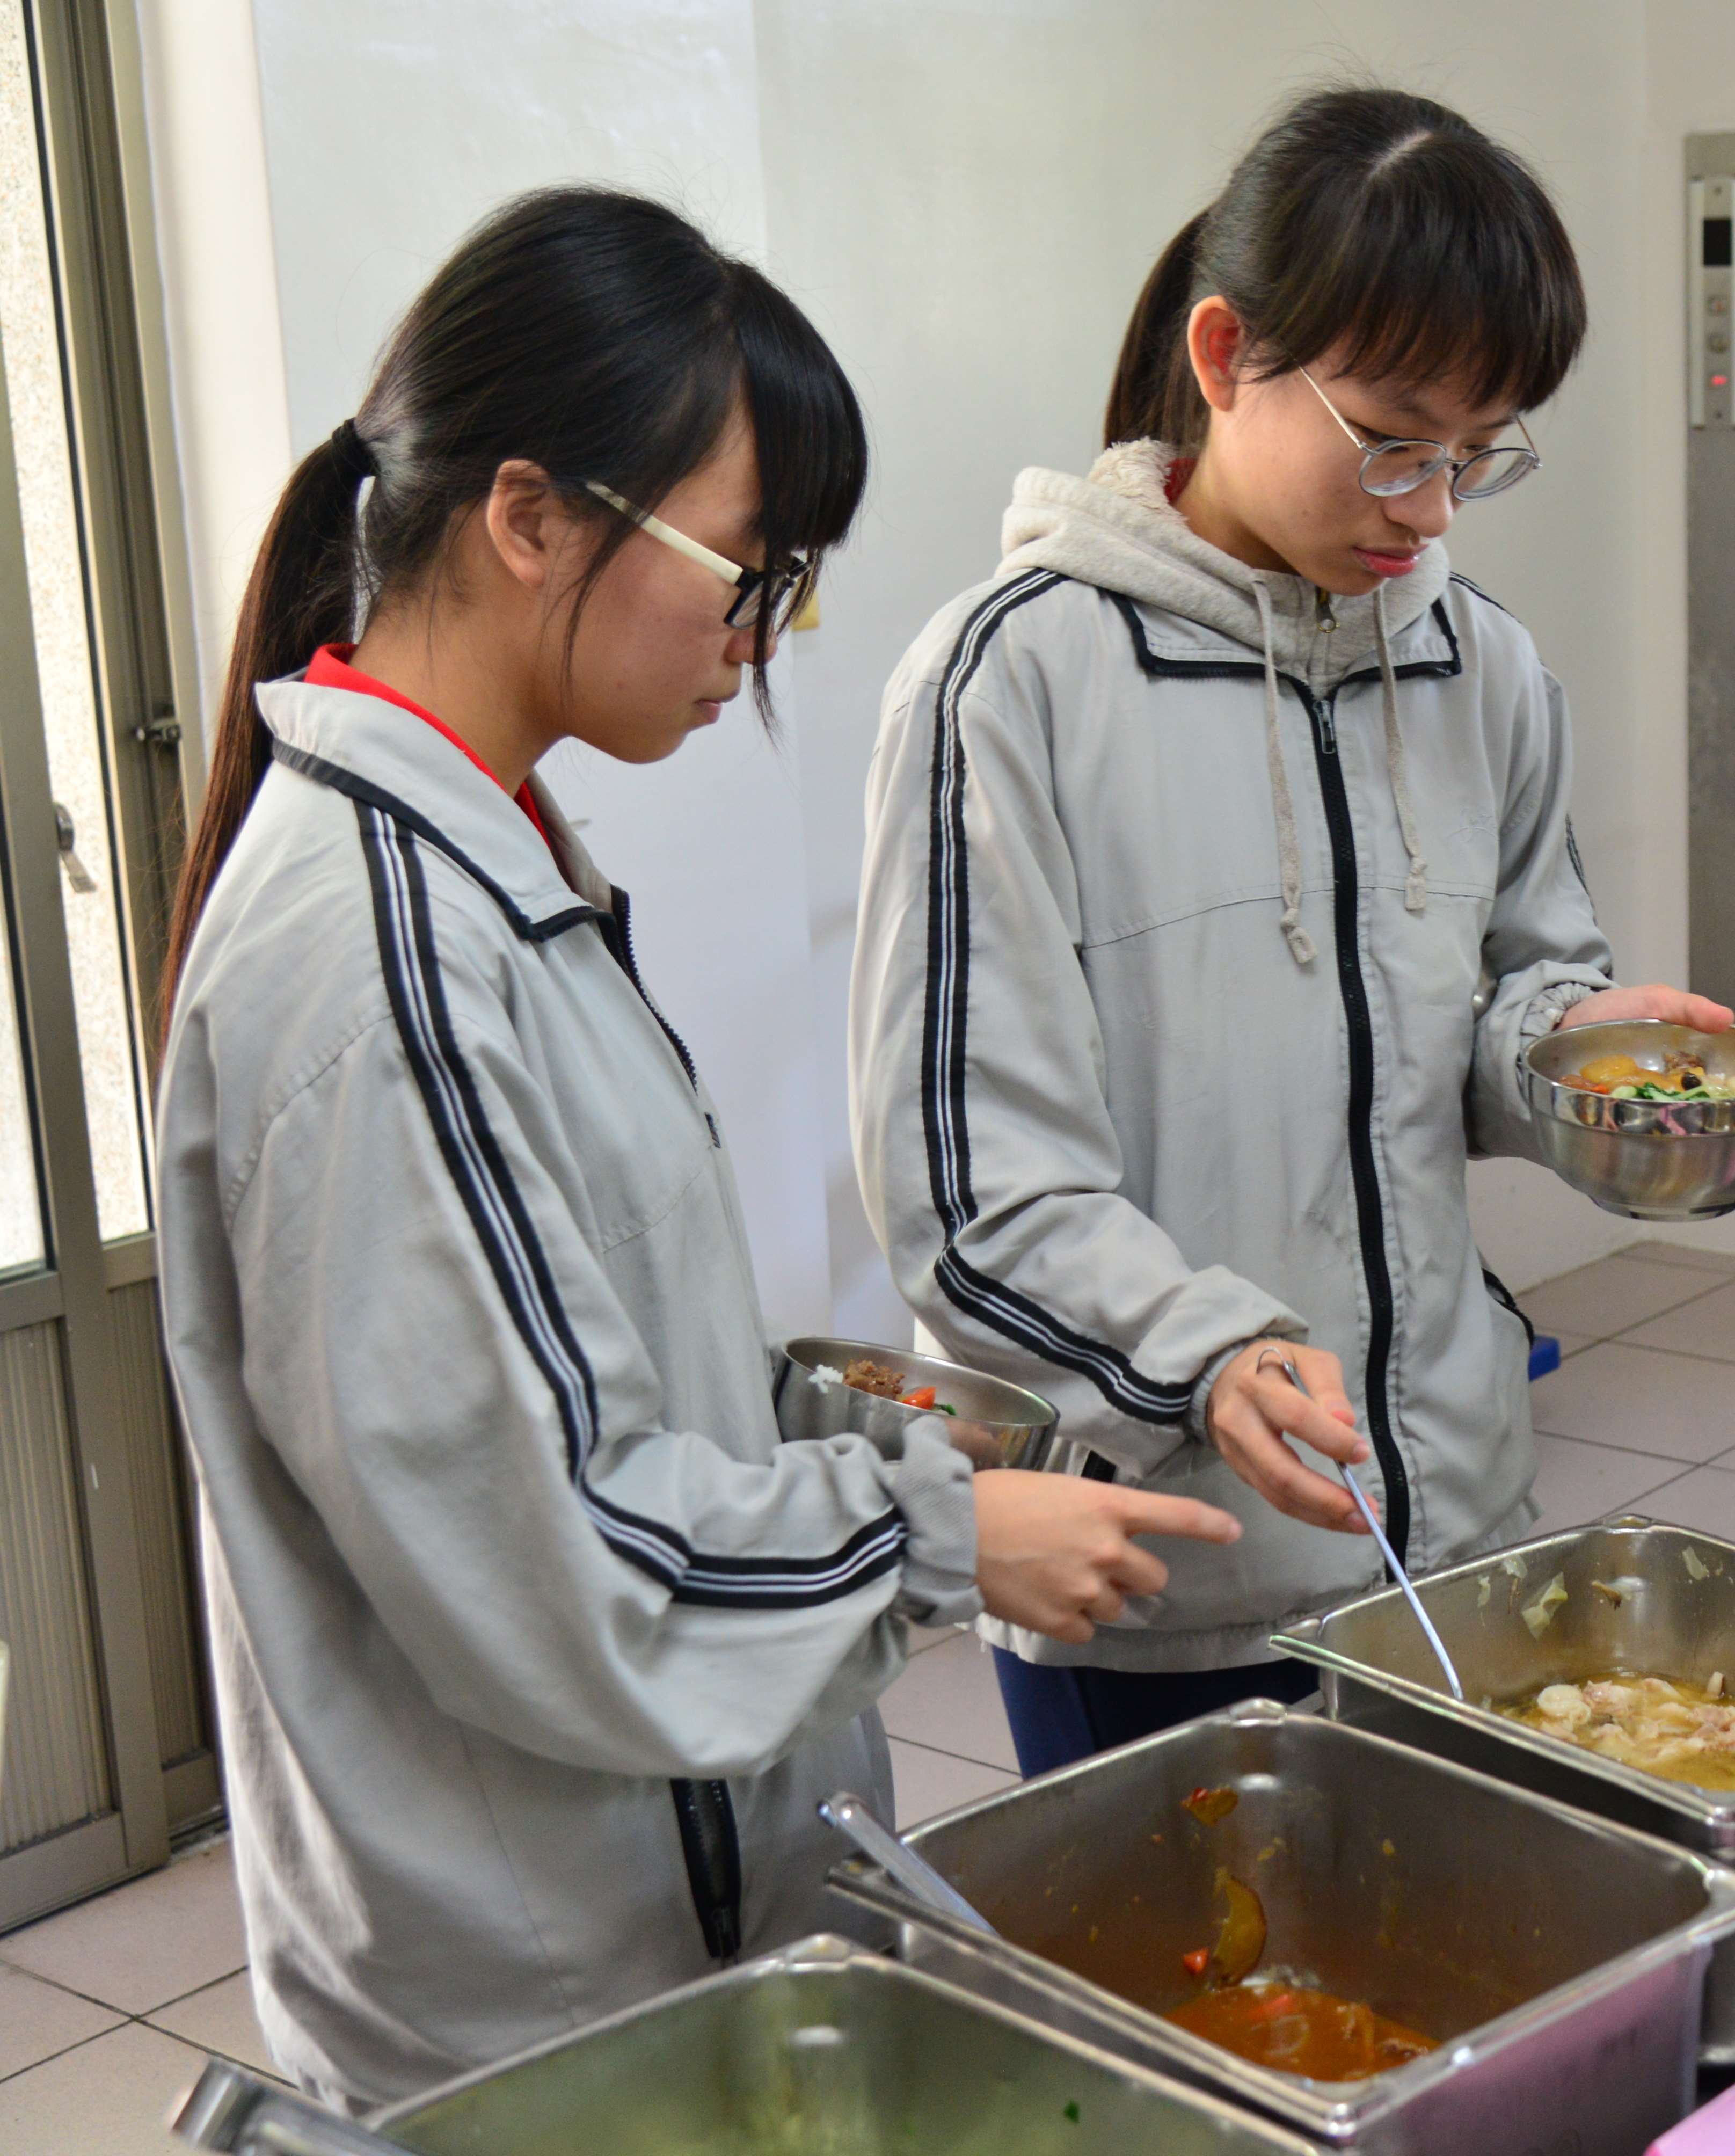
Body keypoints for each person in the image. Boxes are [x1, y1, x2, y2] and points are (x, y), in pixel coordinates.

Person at [153, 188, 1239, 2107]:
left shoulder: (493, 866)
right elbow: (548, 1547)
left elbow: (580, 1372)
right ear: (529, 518)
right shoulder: (382, 955)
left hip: (653, 1913)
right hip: (541, 1993)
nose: (766, 640)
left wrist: (841, 1431)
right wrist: (939, 1538)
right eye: (751, 569)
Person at [850, 87, 1721, 1773]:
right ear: (1228, 350)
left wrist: (1581, 1067)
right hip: (1167, 1551)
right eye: (1394, 436)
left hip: (1452, 1522)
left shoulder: (1485, 669)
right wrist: (1206, 1354)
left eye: (1479, 452)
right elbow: (968, 1185)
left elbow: (1512, 980)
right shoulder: (1012, 686)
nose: (1434, 506)